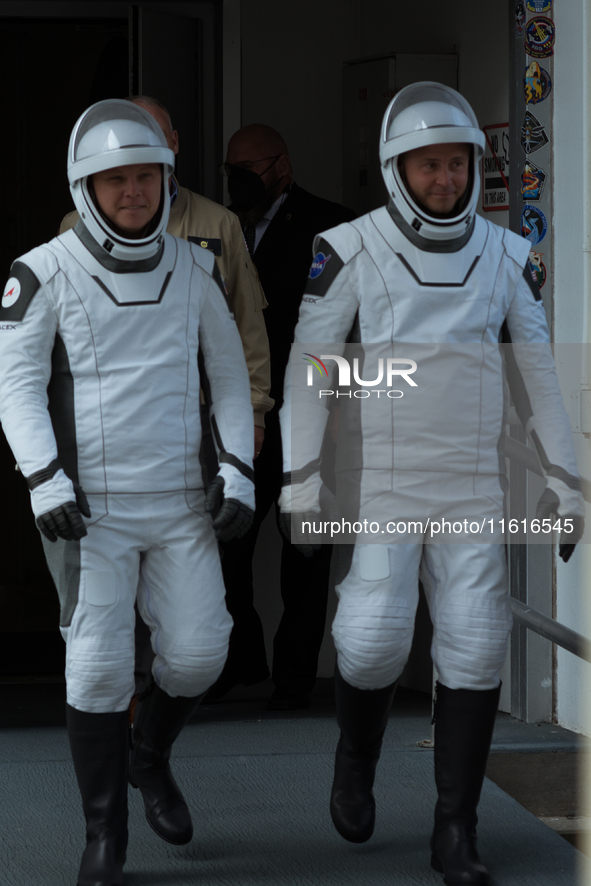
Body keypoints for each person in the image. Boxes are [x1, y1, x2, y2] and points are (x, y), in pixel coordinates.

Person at [278, 82, 584, 884]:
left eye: (455, 164)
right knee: (372, 638)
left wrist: (566, 478)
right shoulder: (347, 248)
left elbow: (539, 378)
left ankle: (456, 828)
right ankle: (355, 759)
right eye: (428, 166)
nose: (444, 180)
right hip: (384, 480)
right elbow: (310, 375)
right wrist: (300, 478)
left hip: (472, 483)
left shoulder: (507, 255)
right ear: (395, 170)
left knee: (476, 646)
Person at [0, 99, 255, 886]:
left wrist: (239, 467)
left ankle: (150, 757)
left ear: (166, 179)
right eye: (115, 180)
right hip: (91, 511)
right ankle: (103, 838)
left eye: (145, 177)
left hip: (182, 501)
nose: (132, 193)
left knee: (200, 653)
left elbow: (230, 379)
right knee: (99, 671)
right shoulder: (41, 271)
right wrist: (43, 477)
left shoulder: (198, 266)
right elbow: (15, 388)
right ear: (86, 187)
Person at [211, 123, 355, 709]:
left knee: (304, 549)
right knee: (226, 541)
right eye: (231, 170)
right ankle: (242, 660)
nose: (239, 180)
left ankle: (295, 679)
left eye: (249, 168)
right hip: (245, 413)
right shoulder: (223, 229)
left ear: (282, 164)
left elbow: (350, 329)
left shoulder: (333, 225)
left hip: (312, 413)